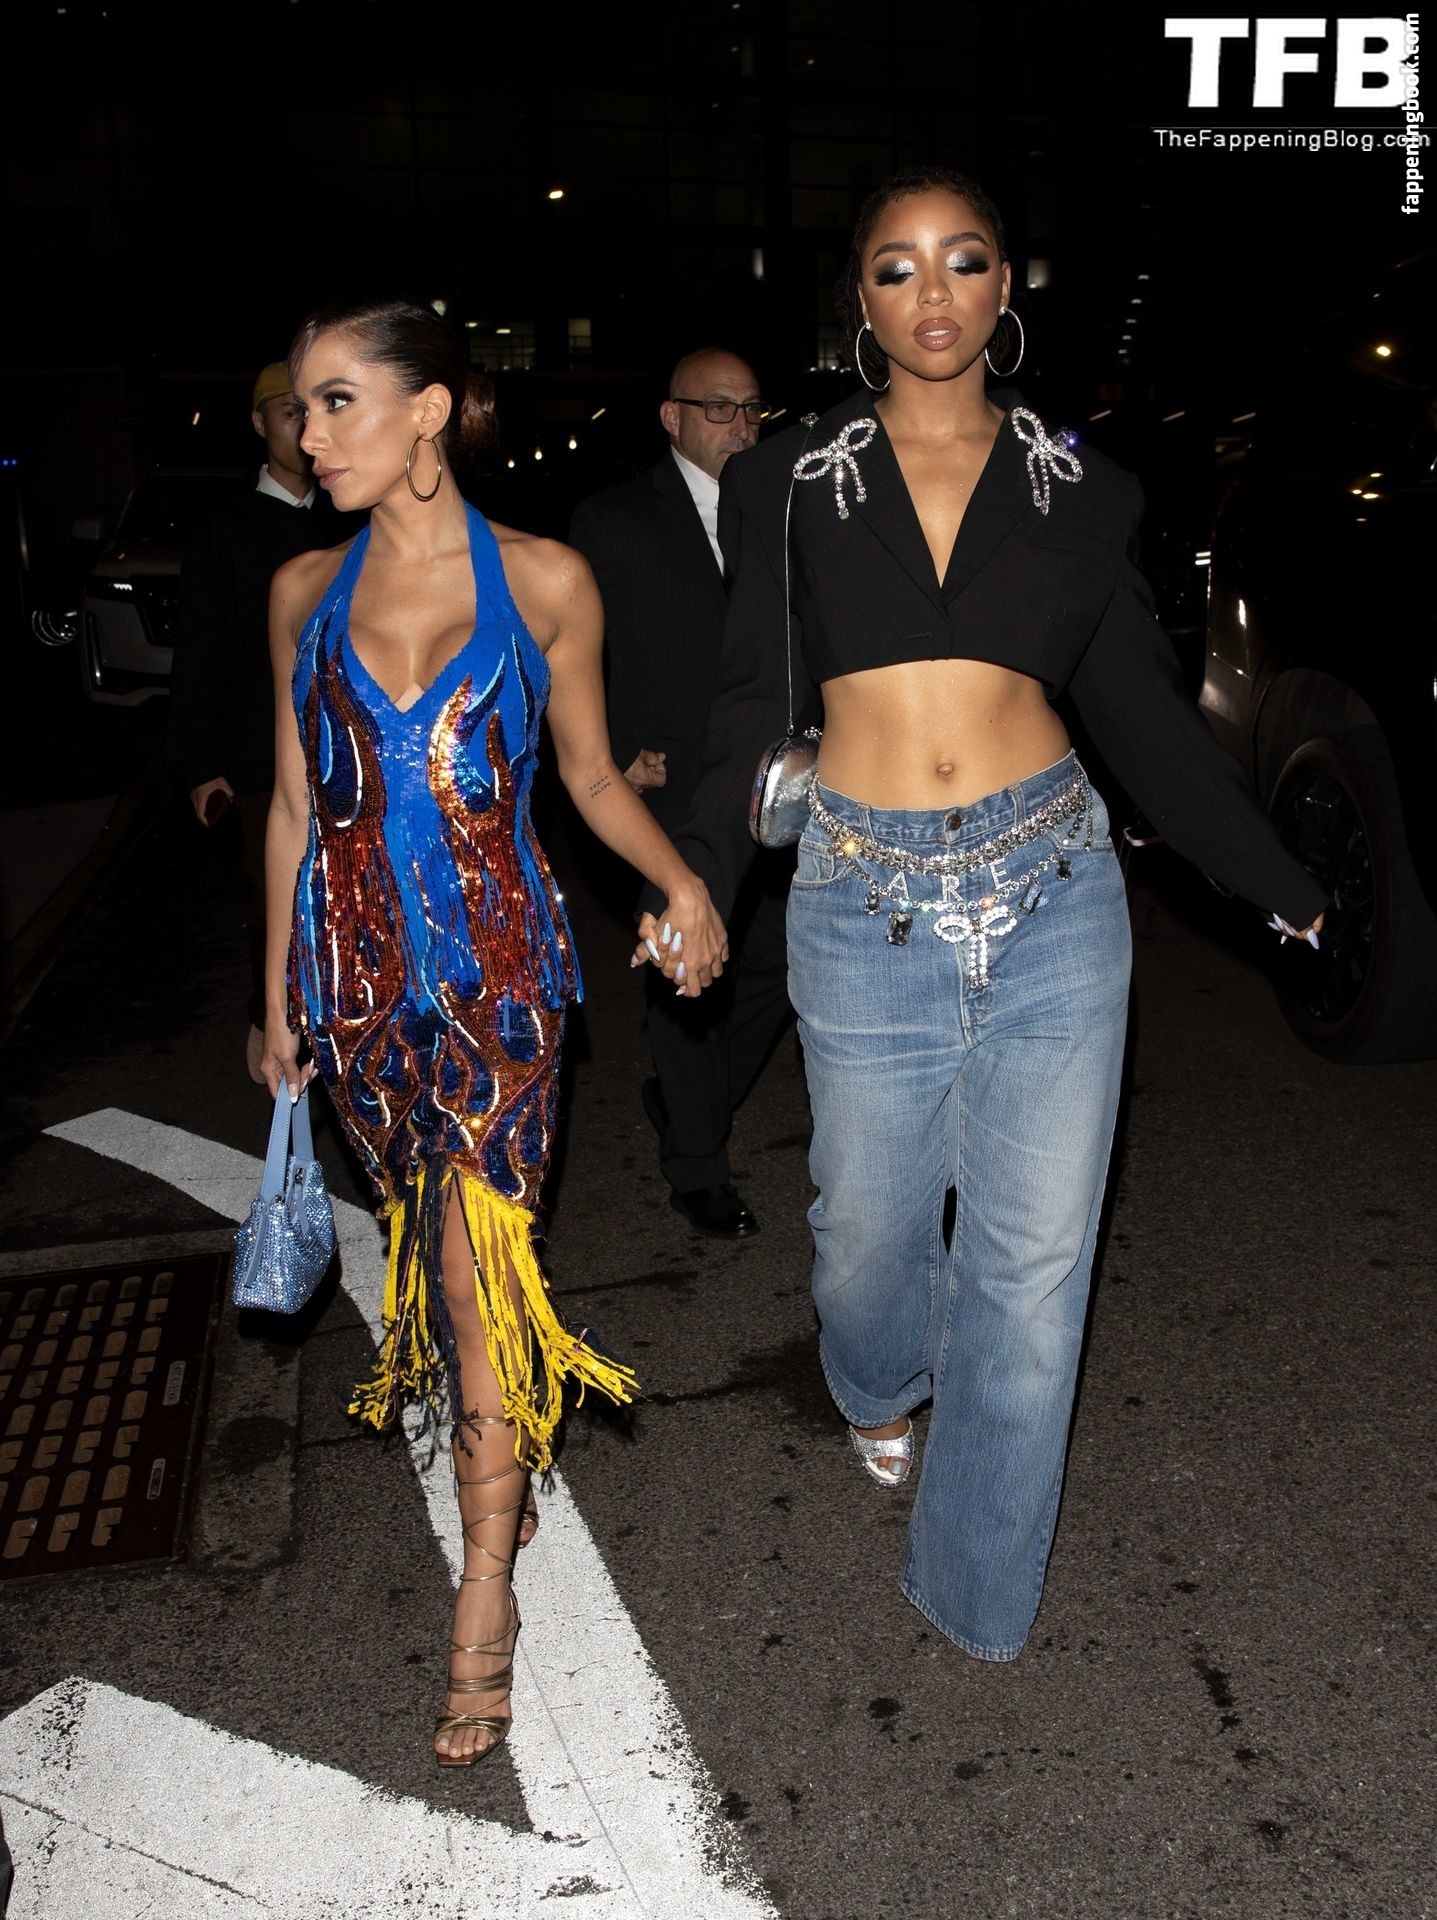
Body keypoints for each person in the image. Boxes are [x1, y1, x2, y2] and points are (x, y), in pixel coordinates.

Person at [637, 168, 1326, 1663]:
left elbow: (1138, 712)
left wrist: (1286, 888)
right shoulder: (790, 474)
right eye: (897, 268)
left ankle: (974, 1587)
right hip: (860, 889)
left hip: (1055, 887)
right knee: (865, 1235)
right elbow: (752, 705)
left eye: (963, 262)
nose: (932, 292)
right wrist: (693, 876)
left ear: (1006, 288)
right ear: (862, 300)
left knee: (1030, 1266)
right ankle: (877, 1380)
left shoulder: (1085, 486)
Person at [262, 299, 727, 1763]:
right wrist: (273, 995)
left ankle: (484, 1593)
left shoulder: (544, 580)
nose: (307, 432)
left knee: (471, 1272)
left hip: (501, 986)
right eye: (302, 407)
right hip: (358, 998)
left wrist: (679, 882)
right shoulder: (299, 594)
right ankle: (498, 1455)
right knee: (429, 1234)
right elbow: (294, 808)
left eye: (337, 402)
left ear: (428, 411)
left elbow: (585, 778)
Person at [569, 349, 792, 1237]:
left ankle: (688, 1102)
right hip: (669, 791)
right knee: (683, 975)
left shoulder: (780, 506)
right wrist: (615, 751)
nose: (740, 426)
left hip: (772, 785)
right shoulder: (613, 518)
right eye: (719, 409)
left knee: (779, 964)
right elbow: (575, 650)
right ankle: (696, 1164)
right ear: (672, 417)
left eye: (752, 410)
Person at [168, 362, 357, 1082]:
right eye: (289, 411)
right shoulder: (225, 530)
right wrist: (198, 763)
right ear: (259, 423)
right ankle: (272, 1022)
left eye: (320, 409)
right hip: (257, 749)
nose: (306, 429)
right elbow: (200, 650)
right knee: (271, 894)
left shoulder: (349, 515)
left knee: (347, 895)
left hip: (347, 745)